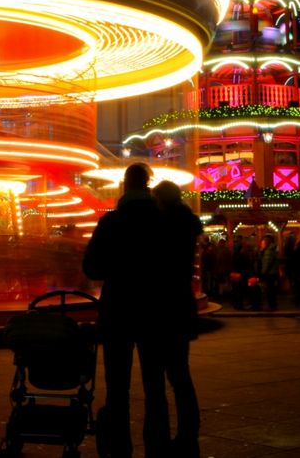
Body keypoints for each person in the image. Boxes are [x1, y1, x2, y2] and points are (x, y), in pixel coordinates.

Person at [84, 163, 192, 457]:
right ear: (147, 185)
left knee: (117, 387)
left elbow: (91, 267)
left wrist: (117, 268)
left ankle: (119, 448)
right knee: (155, 386)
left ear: (125, 187)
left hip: (118, 311)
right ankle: (157, 447)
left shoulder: (111, 222)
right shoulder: (165, 222)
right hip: (155, 313)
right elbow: (175, 268)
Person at [151, 179, 204, 458]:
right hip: (182, 306)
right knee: (180, 372)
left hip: (164, 307)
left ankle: (171, 432)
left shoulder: (164, 226)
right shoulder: (187, 226)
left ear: (162, 200)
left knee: (163, 374)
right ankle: (189, 428)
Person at [259, 233, 279, 311]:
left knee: (270, 290)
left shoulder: (269, 251)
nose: (261, 244)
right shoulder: (270, 250)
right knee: (271, 290)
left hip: (270, 273)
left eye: (263, 243)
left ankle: (272, 306)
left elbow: (266, 263)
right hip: (272, 273)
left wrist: (263, 273)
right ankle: (272, 305)